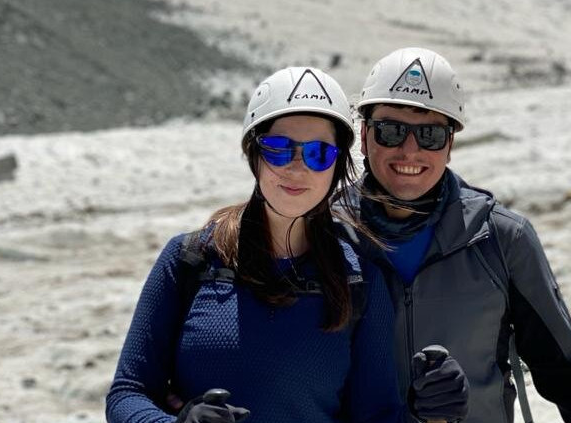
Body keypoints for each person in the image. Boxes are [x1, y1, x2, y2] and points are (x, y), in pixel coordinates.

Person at [106, 65, 469, 423]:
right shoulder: (190, 259)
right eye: (279, 149)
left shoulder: (360, 281)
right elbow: (127, 394)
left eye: (318, 154)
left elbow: (376, 415)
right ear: (254, 153)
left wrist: (431, 414)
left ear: (338, 164)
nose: (297, 168)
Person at [345, 47, 571, 423]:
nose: (410, 150)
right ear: (363, 134)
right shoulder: (326, 233)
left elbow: (564, 368)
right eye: (391, 131)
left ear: (450, 145)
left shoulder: (503, 239)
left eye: (430, 134)